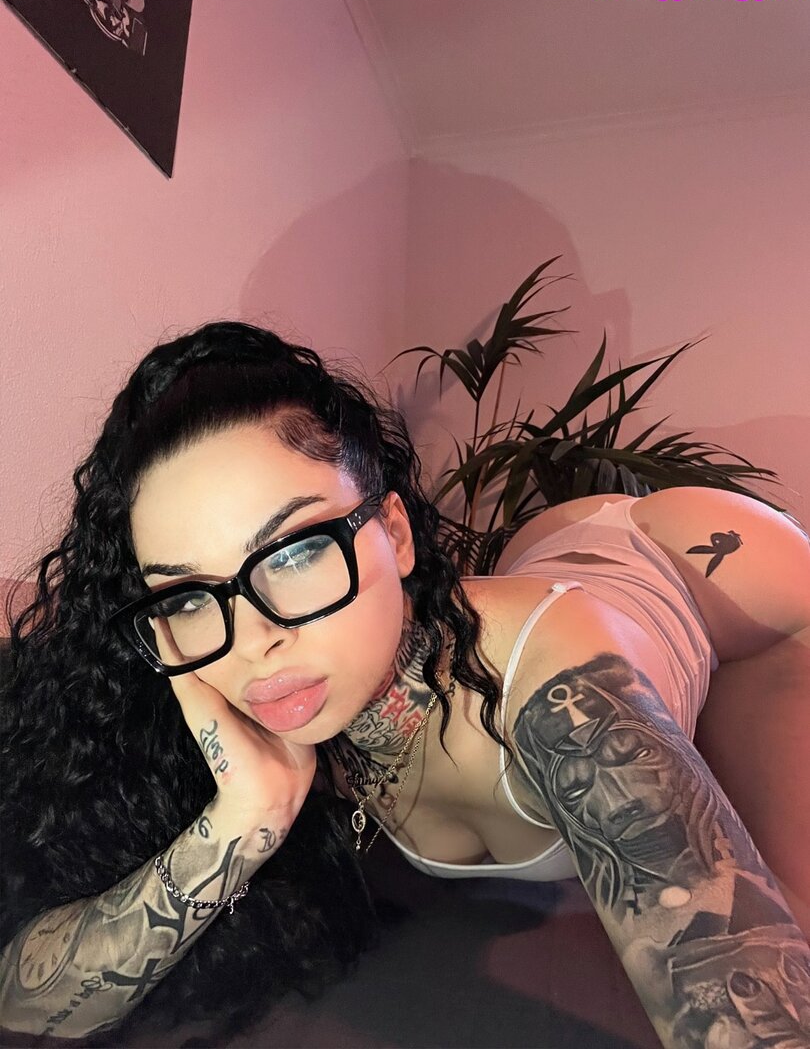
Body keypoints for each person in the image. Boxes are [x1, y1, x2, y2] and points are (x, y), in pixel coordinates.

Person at [1, 321, 809, 1048]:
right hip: (543, 551)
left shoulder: (562, 691)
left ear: (393, 531)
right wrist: (245, 816)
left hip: (719, 575)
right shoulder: (230, 689)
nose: (252, 641)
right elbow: (28, 1001)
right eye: (185, 594)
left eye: (295, 552)